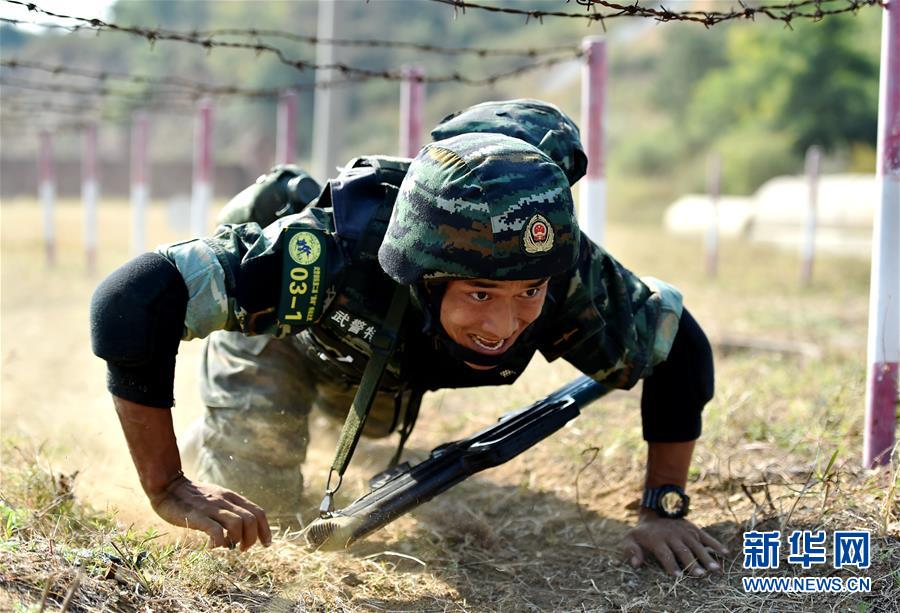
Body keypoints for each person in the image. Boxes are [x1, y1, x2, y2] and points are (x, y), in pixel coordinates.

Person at [90, 103, 726, 577]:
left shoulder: (563, 269)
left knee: (364, 427)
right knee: (266, 524)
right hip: (285, 343)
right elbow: (131, 302)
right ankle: (212, 439)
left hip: (387, 375)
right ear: (425, 275)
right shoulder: (329, 252)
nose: (504, 329)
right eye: (480, 295)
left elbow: (679, 344)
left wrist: (661, 508)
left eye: (527, 295)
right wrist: (167, 484)